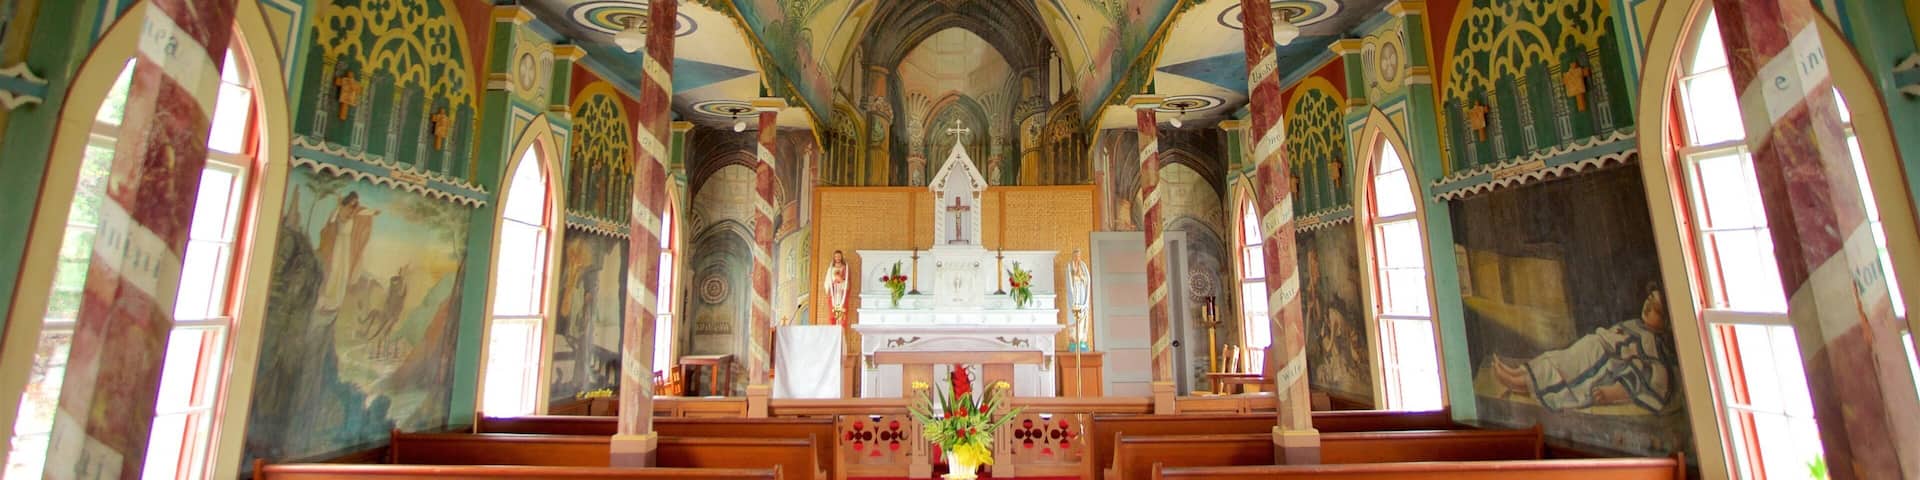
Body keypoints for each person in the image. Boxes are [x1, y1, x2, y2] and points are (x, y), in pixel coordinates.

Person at [1492, 284, 1677, 413]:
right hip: (1593, 348)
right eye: (1649, 299)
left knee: (1567, 372)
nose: (1648, 306)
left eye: (1656, 309)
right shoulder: (1637, 324)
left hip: (1603, 363)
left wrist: (1613, 393)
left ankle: (1522, 383)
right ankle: (1518, 374)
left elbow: (1645, 374)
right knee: (1559, 358)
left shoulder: (1650, 341)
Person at [316, 191, 378, 314]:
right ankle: (326, 300)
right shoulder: (340, 210)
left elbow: (364, 212)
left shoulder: (353, 212)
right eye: (353, 201)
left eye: (355, 202)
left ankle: (336, 302)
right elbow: (332, 221)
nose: (354, 204)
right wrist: (339, 208)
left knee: (344, 272)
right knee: (334, 269)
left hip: (347, 245)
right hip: (339, 242)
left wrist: (373, 212)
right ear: (349, 200)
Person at [1067, 250, 1092, 352]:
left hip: (1082, 293)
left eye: (1079, 256)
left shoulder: (1083, 266)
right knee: (1074, 317)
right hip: (1074, 294)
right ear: (1073, 256)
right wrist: (1075, 277)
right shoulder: (1070, 266)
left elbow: (1087, 280)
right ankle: (1074, 340)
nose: (1077, 257)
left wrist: (1081, 277)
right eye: (1075, 256)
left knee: (1083, 316)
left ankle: (1082, 340)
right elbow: (1069, 281)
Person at [823, 250, 850, 325]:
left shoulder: (845, 268)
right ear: (834, 257)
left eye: (839, 256)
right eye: (836, 256)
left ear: (841, 257)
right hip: (834, 292)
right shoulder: (831, 269)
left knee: (841, 313)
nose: (837, 258)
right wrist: (834, 280)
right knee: (833, 312)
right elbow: (827, 280)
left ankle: (840, 331)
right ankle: (834, 331)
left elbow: (846, 281)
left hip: (841, 292)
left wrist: (840, 280)